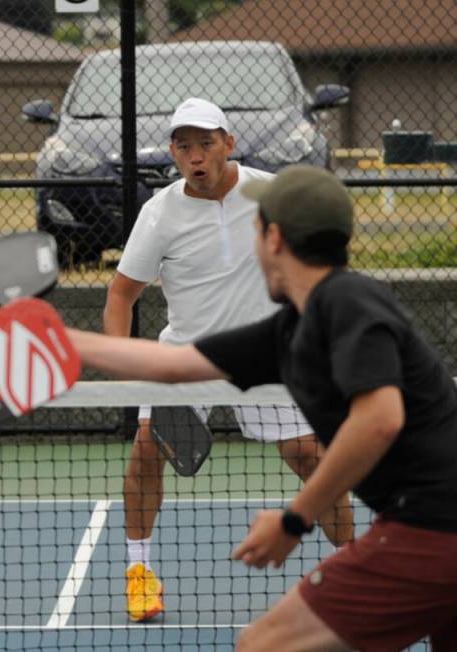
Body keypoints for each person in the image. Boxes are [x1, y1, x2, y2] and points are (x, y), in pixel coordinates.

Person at [71, 164, 457, 650]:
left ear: (273, 238)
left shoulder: (347, 303)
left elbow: (379, 420)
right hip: (430, 529)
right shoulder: (293, 327)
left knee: (263, 643)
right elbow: (174, 366)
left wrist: (295, 519)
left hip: (432, 532)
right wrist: (55, 340)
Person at [104, 98, 354, 622]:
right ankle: (139, 572)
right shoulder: (159, 213)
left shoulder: (270, 194)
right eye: (183, 145)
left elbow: (319, 261)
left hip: (265, 354)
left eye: (205, 143)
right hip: (187, 357)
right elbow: (122, 293)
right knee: (146, 456)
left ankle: (353, 571)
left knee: (313, 458)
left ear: (228, 144)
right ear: (173, 151)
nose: (194, 155)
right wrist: (124, 368)